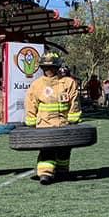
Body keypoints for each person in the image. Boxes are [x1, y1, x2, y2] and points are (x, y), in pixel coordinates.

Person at [24, 51, 81, 185]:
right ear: (42, 68)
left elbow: (75, 102)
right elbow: (30, 103)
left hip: (63, 124)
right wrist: (31, 122)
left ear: (57, 67)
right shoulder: (37, 85)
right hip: (44, 125)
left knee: (64, 151)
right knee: (46, 151)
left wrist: (73, 120)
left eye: (51, 67)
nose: (48, 70)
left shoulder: (68, 83)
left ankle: (62, 171)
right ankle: (45, 174)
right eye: (45, 67)